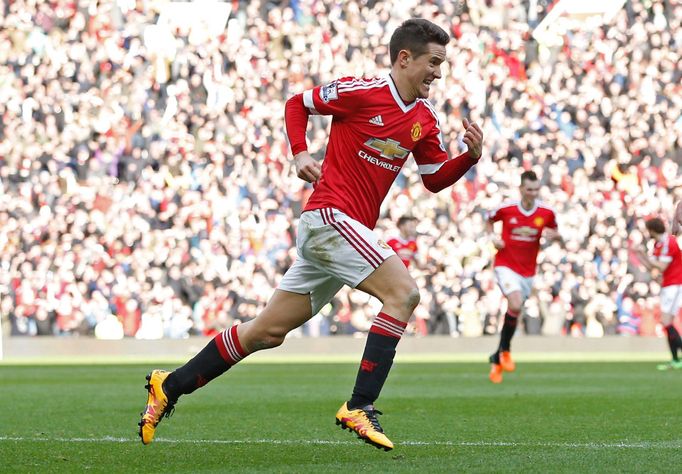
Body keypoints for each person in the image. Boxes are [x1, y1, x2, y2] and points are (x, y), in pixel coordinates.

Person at [138, 18, 484, 451]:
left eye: (442, 64)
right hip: (329, 219)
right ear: (404, 58)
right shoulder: (361, 92)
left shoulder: (424, 120)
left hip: (341, 233)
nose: (439, 72)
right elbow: (296, 104)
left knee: (266, 333)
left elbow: (433, 177)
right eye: (433, 62)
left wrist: (468, 158)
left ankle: (170, 385)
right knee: (404, 294)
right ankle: (360, 405)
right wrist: (300, 153)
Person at [485, 170, 562, 383]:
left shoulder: (546, 212)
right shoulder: (507, 208)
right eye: (529, 189)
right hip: (505, 265)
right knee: (516, 304)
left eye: (536, 189)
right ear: (521, 189)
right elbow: (488, 219)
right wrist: (493, 237)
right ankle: (506, 350)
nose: (533, 193)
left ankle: (497, 356)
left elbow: (558, 234)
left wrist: (553, 235)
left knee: (514, 310)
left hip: (528, 272)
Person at [634, 217, 682, 370]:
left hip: (675, 284)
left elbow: (660, 267)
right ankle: (675, 360)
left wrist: (644, 255)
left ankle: (676, 359)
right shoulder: (659, 244)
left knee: (666, 321)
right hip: (668, 285)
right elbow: (652, 268)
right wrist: (640, 256)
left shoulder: (669, 242)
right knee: (666, 322)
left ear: (652, 230)